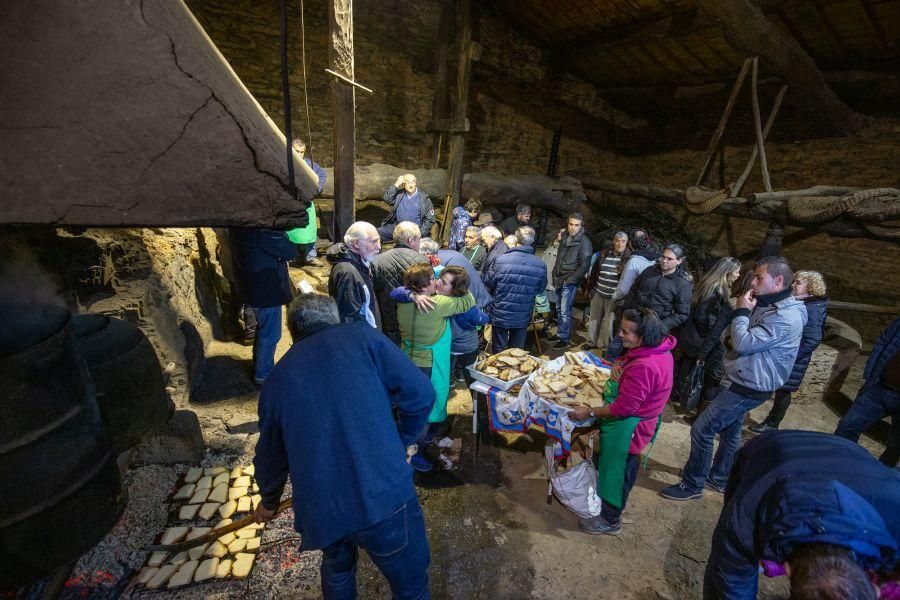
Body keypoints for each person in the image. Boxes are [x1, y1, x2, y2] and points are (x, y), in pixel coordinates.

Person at [252, 294, 433, 599]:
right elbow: (421, 394)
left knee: (338, 569)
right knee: (411, 586)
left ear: (293, 331)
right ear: (335, 319)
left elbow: (270, 454)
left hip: (323, 508)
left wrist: (269, 500)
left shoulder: (276, 380)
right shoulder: (363, 337)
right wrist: (402, 440)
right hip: (383, 495)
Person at [661, 256, 807, 501]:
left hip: (749, 385)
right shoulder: (770, 305)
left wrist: (740, 311)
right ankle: (719, 478)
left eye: (760, 277)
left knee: (702, 429)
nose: (753, 282)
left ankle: (692, 484)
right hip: (744, 377)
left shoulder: (785, 317)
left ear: (779, 280)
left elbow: (742, 341)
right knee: (731, 432)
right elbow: (735, 339)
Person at [703, 430, 900, 600]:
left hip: (850, 457)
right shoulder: (745, 522)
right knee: (725, 567)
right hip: (772, 448)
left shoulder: (894, 510)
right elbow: (733, 581)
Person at [571, 308, 675, 535]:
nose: (620, 334)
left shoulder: (645, 365)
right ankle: (604, 504)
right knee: (612, 467)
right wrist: (620, 363)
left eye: (627, 332)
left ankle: (610, 520)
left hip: (629, 427)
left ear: (643, 336)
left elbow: (623, 408)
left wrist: (589, 412)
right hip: (632, 421)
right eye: (621, 329)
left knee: (618, 473)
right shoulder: (656, 350)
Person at [394, 264, 475, 471]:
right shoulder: (437, 304)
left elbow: (397, 291)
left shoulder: (404, 302)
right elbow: (468, 301)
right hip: (427, 365)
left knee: (410, 407)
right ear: (422, 286)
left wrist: (410, 294)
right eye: (432, 279)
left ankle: (407, 443)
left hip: (407, 360)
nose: (436, 281)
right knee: (425, 412)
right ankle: (413, 454)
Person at [751, 271, 829, 433]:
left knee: (783, 392)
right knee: (779, 390)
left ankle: (772, 424)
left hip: (791, 359)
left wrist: (790, 355)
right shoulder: (804, 303)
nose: (793, 285)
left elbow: (813, 339)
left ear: (811, 288)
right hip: (786, 356)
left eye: (798, 282)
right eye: (794, 281)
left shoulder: (812, 308)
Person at [229, 227, 297, 385]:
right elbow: (290, 251)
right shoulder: (264, 232)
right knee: (271, 334)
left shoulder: (238, 229)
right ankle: (263, 374)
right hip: (266, 291)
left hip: (250, 288)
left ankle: (258, 364)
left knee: (263, 329)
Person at [674, 257, 741, 410]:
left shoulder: (713, 284)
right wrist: (710, 333)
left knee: (685, 368)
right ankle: (679, 396)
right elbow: (701, 316)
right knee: (688, 370)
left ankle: (678, 395)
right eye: (737, 272)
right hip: (696, 337)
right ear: (728, 272)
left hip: (692, 335)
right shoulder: (716, 289)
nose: (738, 275)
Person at [607, 243, 691, 360]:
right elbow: (634, 289)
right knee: (613, 352)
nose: (664, 261)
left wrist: (660, 327)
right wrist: (627, 310)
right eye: (663, 256)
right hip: (632, 321)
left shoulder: (682, 284)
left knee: (637, 360)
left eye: (669, 259)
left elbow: (682, 314)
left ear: (679, 261)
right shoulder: (649, 271)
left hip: (652, 330)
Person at [835, 317, 900, 467]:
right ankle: (838, 464)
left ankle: (880, 478)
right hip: (880, 387)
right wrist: (870, 373)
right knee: (847, 426)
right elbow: (883, 341)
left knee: (895, 447)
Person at [483, 226, 547, 352]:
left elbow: (489, 283)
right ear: (532, 241)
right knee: (516, 351)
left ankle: (497, 371)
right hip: (523, 313)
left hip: (500, 311)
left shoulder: (501, 260)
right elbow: (540, 288)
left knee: (498, 350)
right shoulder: (540, 265)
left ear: (516, 239)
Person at [372, 222, 430, 345]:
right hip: (412, 323)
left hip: (386, 323)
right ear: (411, 240)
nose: (419, 243)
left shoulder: (378, 260)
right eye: (419, 240)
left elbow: (374, 293)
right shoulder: (422, 261)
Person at [326, 221, 382, 329]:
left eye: (379, 241)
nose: (379, 247)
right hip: (362, 338)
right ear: (356, 244)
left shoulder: (359, 264)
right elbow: (348, 319)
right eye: (374, 242)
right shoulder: (348, 273)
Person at [549, 213, 593, 349]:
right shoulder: (565, 236)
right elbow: (560, 257)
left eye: (576, 225)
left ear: (581, 226)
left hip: (569, 281)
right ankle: (560, 333)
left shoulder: (584, 243)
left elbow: (584, 266)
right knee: (558, 308)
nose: (573, 228)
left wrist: (570, 280)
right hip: (559, 277)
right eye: (571, 224)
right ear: (567, 224)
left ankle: (564, 338)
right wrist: (555, 273)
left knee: (565, 310)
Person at [583, 231, 630, 350]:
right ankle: (591, 342)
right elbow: (594, 272)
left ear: (627, 243)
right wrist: (590, 288)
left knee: (609, 324)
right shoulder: (604, 254)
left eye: (623, 241)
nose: (620, 244)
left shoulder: (628, 258)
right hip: (599, 292)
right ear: (613, 242)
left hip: (613, 296)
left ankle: (605, 347)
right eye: (618, 241)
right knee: (594, 319)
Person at [285, 138, 327, 267]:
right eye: (296, 151)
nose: (299, 155)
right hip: (290, 204)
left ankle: (310, 256)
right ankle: (293, 256)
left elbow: (322, 174)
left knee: (309, 231)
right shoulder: (284, 163)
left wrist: (316, 189)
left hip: (306, 203)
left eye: (302, 152)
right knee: (291, 231)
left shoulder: (310, 165)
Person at [379, 173, 435, 241]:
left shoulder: (424, 199)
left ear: (416, 183)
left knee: (409, 246)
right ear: (403, 184)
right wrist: (396, 184)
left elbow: (429, 219)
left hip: (414, 231)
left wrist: (420, 233)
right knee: (376, 233)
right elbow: (387, 198)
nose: (411, 185)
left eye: (413, 182)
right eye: (407, 182)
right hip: (398, 228)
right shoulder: (399, 195)